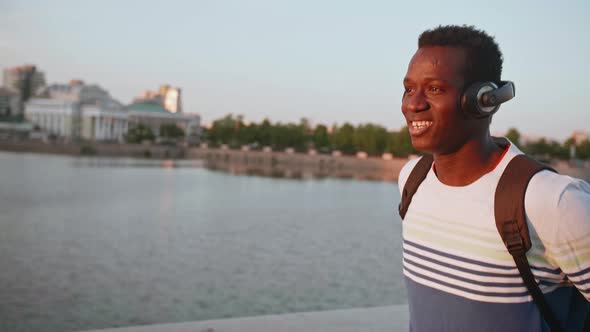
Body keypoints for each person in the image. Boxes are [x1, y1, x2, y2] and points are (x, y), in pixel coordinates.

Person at [398, 25, 590, 331]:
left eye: (434, 89)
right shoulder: (412, 179)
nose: (412, 104)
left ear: (483, 99)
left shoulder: (551, 200)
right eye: (409, 88)